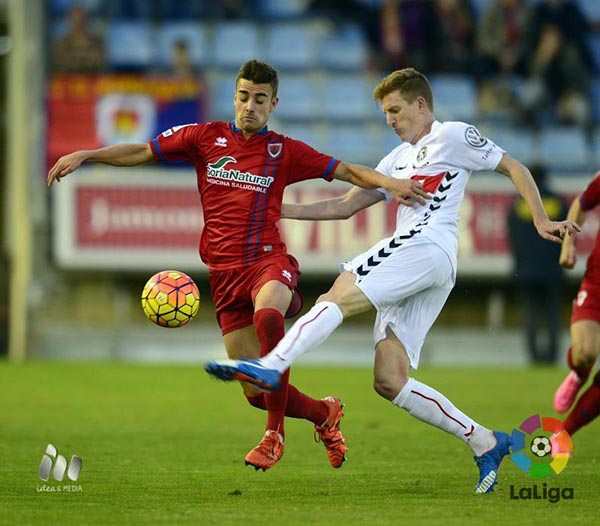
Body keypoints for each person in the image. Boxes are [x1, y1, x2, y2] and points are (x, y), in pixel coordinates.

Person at [204, 67, 580, 493]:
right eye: (385, 113)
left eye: (396, 110)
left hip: (426, 244)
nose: (390, 120)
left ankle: (272, 365)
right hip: (427, 266)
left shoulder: (452, 135)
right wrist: (277, 209)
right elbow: (345, 206)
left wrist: (541, 218)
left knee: (336, 295)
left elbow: (513, 166)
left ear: (421, 105)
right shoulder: (395, 161)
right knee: (389, 379)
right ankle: (485, 441)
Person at [47, 60, 429, 472]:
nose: (250, 106)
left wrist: (391, 184)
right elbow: (142, 150)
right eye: (244, 96)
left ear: (273, 103)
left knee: (269, 316)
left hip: (268, 261)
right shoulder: (203, 138)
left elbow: (348, 170)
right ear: (235, 96)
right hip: (224, 275)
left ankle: (273, 435)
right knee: (253, 390)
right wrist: (87, 154)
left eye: (260, 99)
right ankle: (324, 413)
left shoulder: (286, 151)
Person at [553, 172, 600, 437]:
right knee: (584, 353)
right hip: (597, 282)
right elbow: (581, 204)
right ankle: (579, 374)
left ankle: (563, 433)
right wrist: (568, 245)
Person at [507, 163, 567, 364]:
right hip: (553, 269)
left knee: (530, 313)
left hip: (526, 269)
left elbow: (513, 236)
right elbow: (568, 234)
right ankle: (551, 355)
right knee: (552, 314)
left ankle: (534, 355)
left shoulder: (519, 203)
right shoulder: (559, 202)